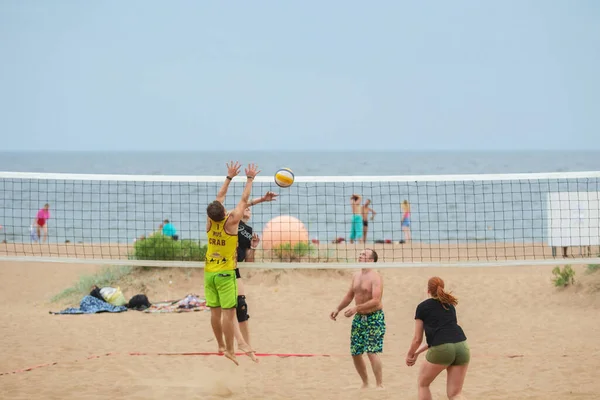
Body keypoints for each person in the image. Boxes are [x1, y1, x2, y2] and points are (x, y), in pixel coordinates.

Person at [205, 161, 260, 365]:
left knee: (214, 312)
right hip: (226, 273)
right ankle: (230, 349)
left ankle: (220, 345)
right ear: (223, 212)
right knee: (229, 314)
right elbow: (244, 200)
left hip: (209, 273)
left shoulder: (210, 222)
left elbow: (219, 198)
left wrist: (229, 177)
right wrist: (250, 179)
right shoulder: (232, 221)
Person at [405, 277, 469, 400]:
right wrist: (417, 353)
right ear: (442, 289)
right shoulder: (450, 306)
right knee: (455, 394)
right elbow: (441, 336)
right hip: (462, 345)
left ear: (428, 291)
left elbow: (417, 339)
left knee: (423, 384)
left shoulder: (422, 307)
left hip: (443, 348)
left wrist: (410, 354)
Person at [330, 249, 385, 389]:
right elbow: (350, 296)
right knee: (355, 352)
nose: (360, 256)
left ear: (371, 260)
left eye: (364, 255)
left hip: (374, 317)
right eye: (360, 254)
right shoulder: (356, 275)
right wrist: (338, 309)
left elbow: (376, 301)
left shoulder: (376, 277)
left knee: (371, 351)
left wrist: (356, 308)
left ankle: (380, 385)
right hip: (359, 318)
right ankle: (365, 383)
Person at [234, 190, 278, 348]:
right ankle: (228, 344)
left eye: (249, 210)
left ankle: (246, 344)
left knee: (241, 305)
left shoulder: (250, 231)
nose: (247, 209)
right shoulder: (234, 221)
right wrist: (263, 199)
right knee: (227, 308)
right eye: (246, 209)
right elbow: (243, 203)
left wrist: (253, 247)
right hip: (223, 265)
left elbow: (249, 261)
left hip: (235, 268)